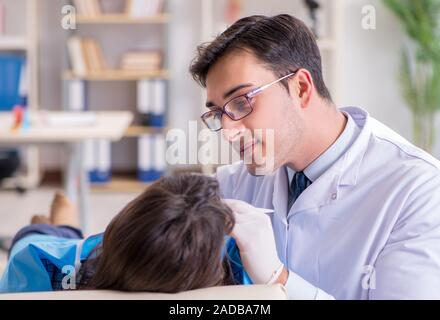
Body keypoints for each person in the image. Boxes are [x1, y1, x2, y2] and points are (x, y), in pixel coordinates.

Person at [190, 14, 440, 299]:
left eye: (242, 102)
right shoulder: (233, 184)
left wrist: (277, 277)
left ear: (301, 88)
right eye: (218, 114)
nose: (228, 131)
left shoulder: (420, 190)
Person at [0, 174, 251, 293]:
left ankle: (61, 224)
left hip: (65, 254)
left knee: (38, 233)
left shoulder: (43, 260)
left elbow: (20, 267)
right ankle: (63, 224)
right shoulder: (233, 269)